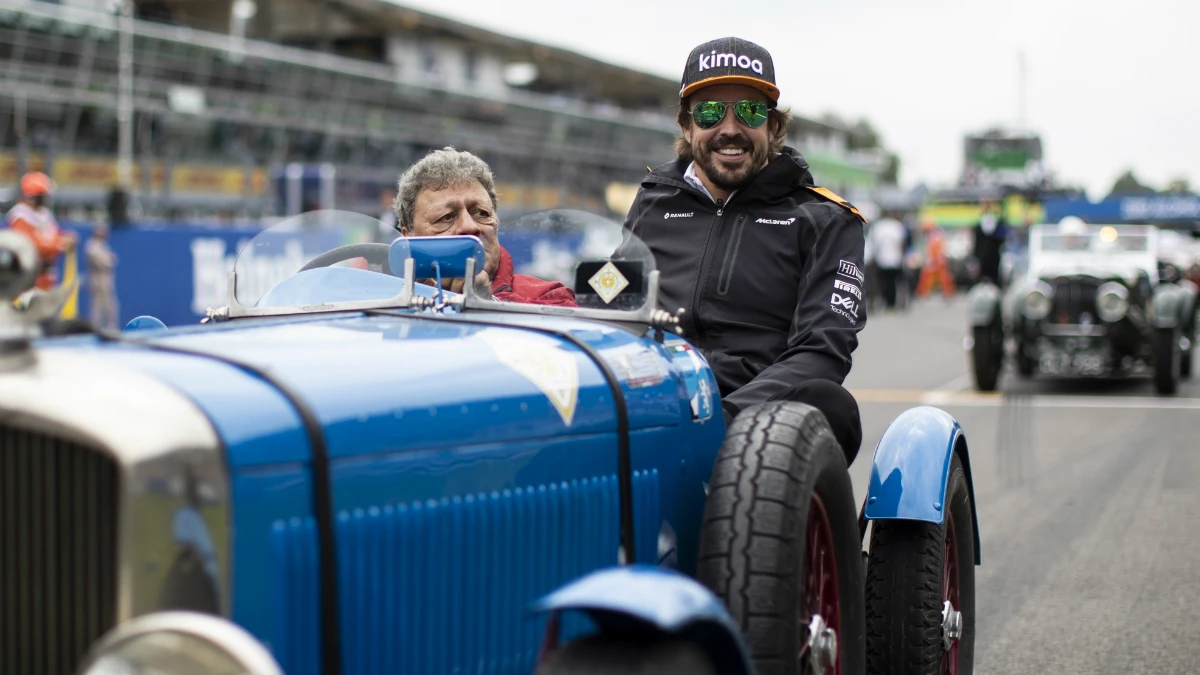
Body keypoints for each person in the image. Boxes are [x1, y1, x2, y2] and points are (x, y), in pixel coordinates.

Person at [622, 37, 867, 462]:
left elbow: (821, 353)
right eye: (710, 112)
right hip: (657, 401)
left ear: (772, 126)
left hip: (757, 422)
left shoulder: (827, 218)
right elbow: (613, 308)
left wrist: (724, 419)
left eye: (750, 111)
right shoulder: (652, 202)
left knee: (830, 403)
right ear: (687, 126)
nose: (730, 128)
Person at [392, 147, 577, 307]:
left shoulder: (550, 297)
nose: (470, 226)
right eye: (446, 217)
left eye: (481, 213)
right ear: (409, 238)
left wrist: (489, 306)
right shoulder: (381, 299)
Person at [5, 171, 76, 291]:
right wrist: (58, 244)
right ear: (34, 196)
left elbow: (58, 235)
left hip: (45, 274)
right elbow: (31, 246)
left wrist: (63, 241)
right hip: (25, 276)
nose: (46, 199)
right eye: (43, 196)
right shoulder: (20, 215)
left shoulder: (45, 214)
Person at [866, 210, 908, 309]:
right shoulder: (897, 226)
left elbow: (873, 243)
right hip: (895, 259)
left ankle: (884, 301)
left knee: (882, 282)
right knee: (893, 282)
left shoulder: (878, 227)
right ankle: (892, 303)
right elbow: (903, 243)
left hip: (882, 259)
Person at [85, 222, 119, 330]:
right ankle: (95, 329)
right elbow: (103, 262)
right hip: (97, 280)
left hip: (106, 279)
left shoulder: (103, 245)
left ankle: (112, 328)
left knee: (110, 305)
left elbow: (113, 259)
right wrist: (108, 260)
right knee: (97, 307)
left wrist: (109, 260)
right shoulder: (91, 245)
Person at [916, 219, 956, 299]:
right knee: (929, 276)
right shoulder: (933, 235)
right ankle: (923, 292)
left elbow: (936, 249)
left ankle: (948, 291)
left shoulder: (935, 235)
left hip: (937, 260)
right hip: (934, 260)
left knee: (942, 277)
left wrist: (933, 259)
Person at [972, 200, 1006, 285]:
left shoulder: (995, 223)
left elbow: (1001, 239)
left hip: (992, 258)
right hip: (984, 259)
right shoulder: (979, 226)